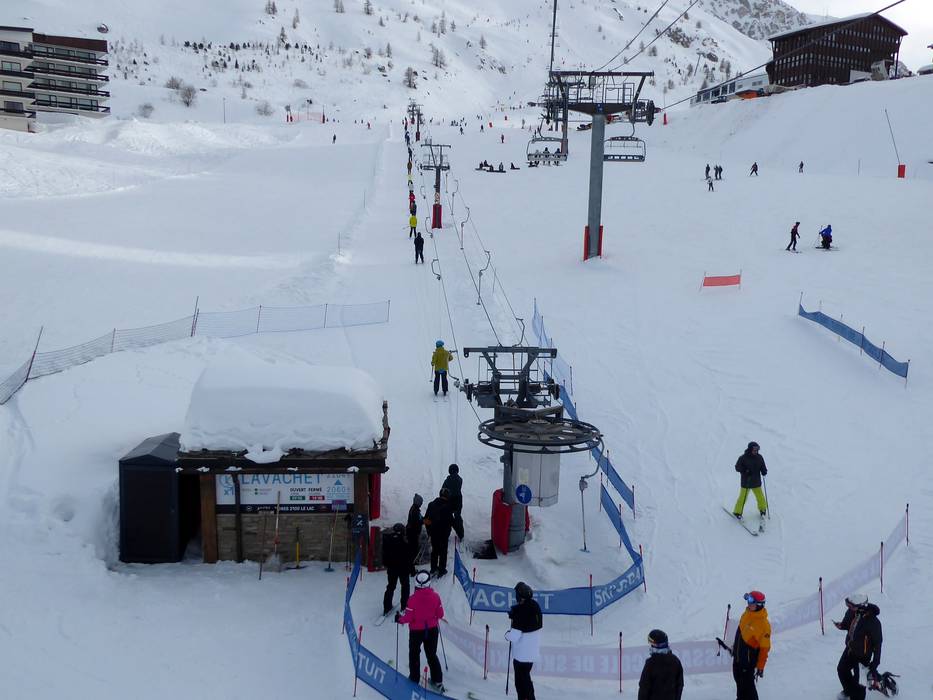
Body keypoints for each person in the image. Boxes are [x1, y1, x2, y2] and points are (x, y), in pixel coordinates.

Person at [396, 571, 445, 691]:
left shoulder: (412, 599)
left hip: (416, 632)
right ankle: (437, 680)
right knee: (431, 654)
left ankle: (414, 679)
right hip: (432, 630)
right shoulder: (436, 597)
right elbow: (440, 614)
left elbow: (408, 618)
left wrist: (399, 619)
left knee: (414, 654)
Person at [834, 593, 882, 700]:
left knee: (860, 683)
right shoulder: (852, 612)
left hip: (863, 656)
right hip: (850, 649)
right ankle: (848, 690)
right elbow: (847, 623)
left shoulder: (873, 623)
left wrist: (875, 663)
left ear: (861, 607)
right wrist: (841, 625)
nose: (849, 607)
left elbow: (878, 644)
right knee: (842, 670)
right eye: (848, 605)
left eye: (851, 606)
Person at [506, 582, 543, 700]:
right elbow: (526, 614)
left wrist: (507, 635)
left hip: (521, 655)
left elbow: (515, 636)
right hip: (531, 653)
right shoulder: (535, 605)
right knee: (526, 678)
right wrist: (515, 612)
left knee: (521, 682)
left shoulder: (521, 612)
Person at [733, 590, 771, 700]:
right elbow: (740, 634)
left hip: (747, 663)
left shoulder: (764, 625)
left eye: (751, 602)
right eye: (748, 600)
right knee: (740, 686)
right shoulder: (746, 614)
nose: (748, 604)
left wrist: (760, 666)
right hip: (737, 659)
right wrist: (735, 649)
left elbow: (765, 648)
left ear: (759, 605)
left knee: (749, 690)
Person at [638, 629, 684, 700]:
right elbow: (680, 685)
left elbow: (644, 688)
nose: (650, 647)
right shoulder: (675, 661)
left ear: (656, 645)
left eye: (651, 644)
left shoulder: (650, 663)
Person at [732, 442, 767, 520]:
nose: (756, 451)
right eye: (754, 449)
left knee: (760, 497)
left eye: (757, 449)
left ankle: (762, 510)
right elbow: (737, 467)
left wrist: (764, 471)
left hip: (756, 481)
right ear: (750, 449)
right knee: (742, 498)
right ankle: (737, 512)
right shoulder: (743, 458)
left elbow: (762, 466)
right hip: (746, 482)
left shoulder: (759, 457)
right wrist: (745, 471)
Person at [424, 488, 454, 576]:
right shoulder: (448, 507)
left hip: (433, 533)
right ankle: (441, 570)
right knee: (443, 552)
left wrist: (429, 530)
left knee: (435, 551)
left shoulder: (431, 504)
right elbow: (451, 521)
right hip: (443, 534)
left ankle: (433, 568)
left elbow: (426, 520)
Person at [382, 523, 410, 615]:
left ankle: (387, 607)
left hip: (392, 568)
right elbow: (408, 556)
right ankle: (404, 606)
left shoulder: (388, 539)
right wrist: (410, 567)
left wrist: (387, 564)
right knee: (405, 586)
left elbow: (384, 554)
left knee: (390, 586)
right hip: (403, 568)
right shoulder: (405, 541)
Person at [442, 464, 464, 540]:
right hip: (458, 500)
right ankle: (461, 534)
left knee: (447, 517)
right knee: (458, 517)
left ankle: (446, 534)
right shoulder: (460, 479)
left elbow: (443, 489)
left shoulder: (447, 480)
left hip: (449, 501)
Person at [406, 494, 424, 574]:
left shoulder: (415, 509)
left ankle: (411, 564)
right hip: (412, 533)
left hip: (412, 532)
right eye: (421, 502)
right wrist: (425, 521)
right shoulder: (415, 511)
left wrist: (424, 520)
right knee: (413, 551)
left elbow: (420, 518)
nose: (421, 504)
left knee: (413, 550)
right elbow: (418, 522)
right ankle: (411, 569)